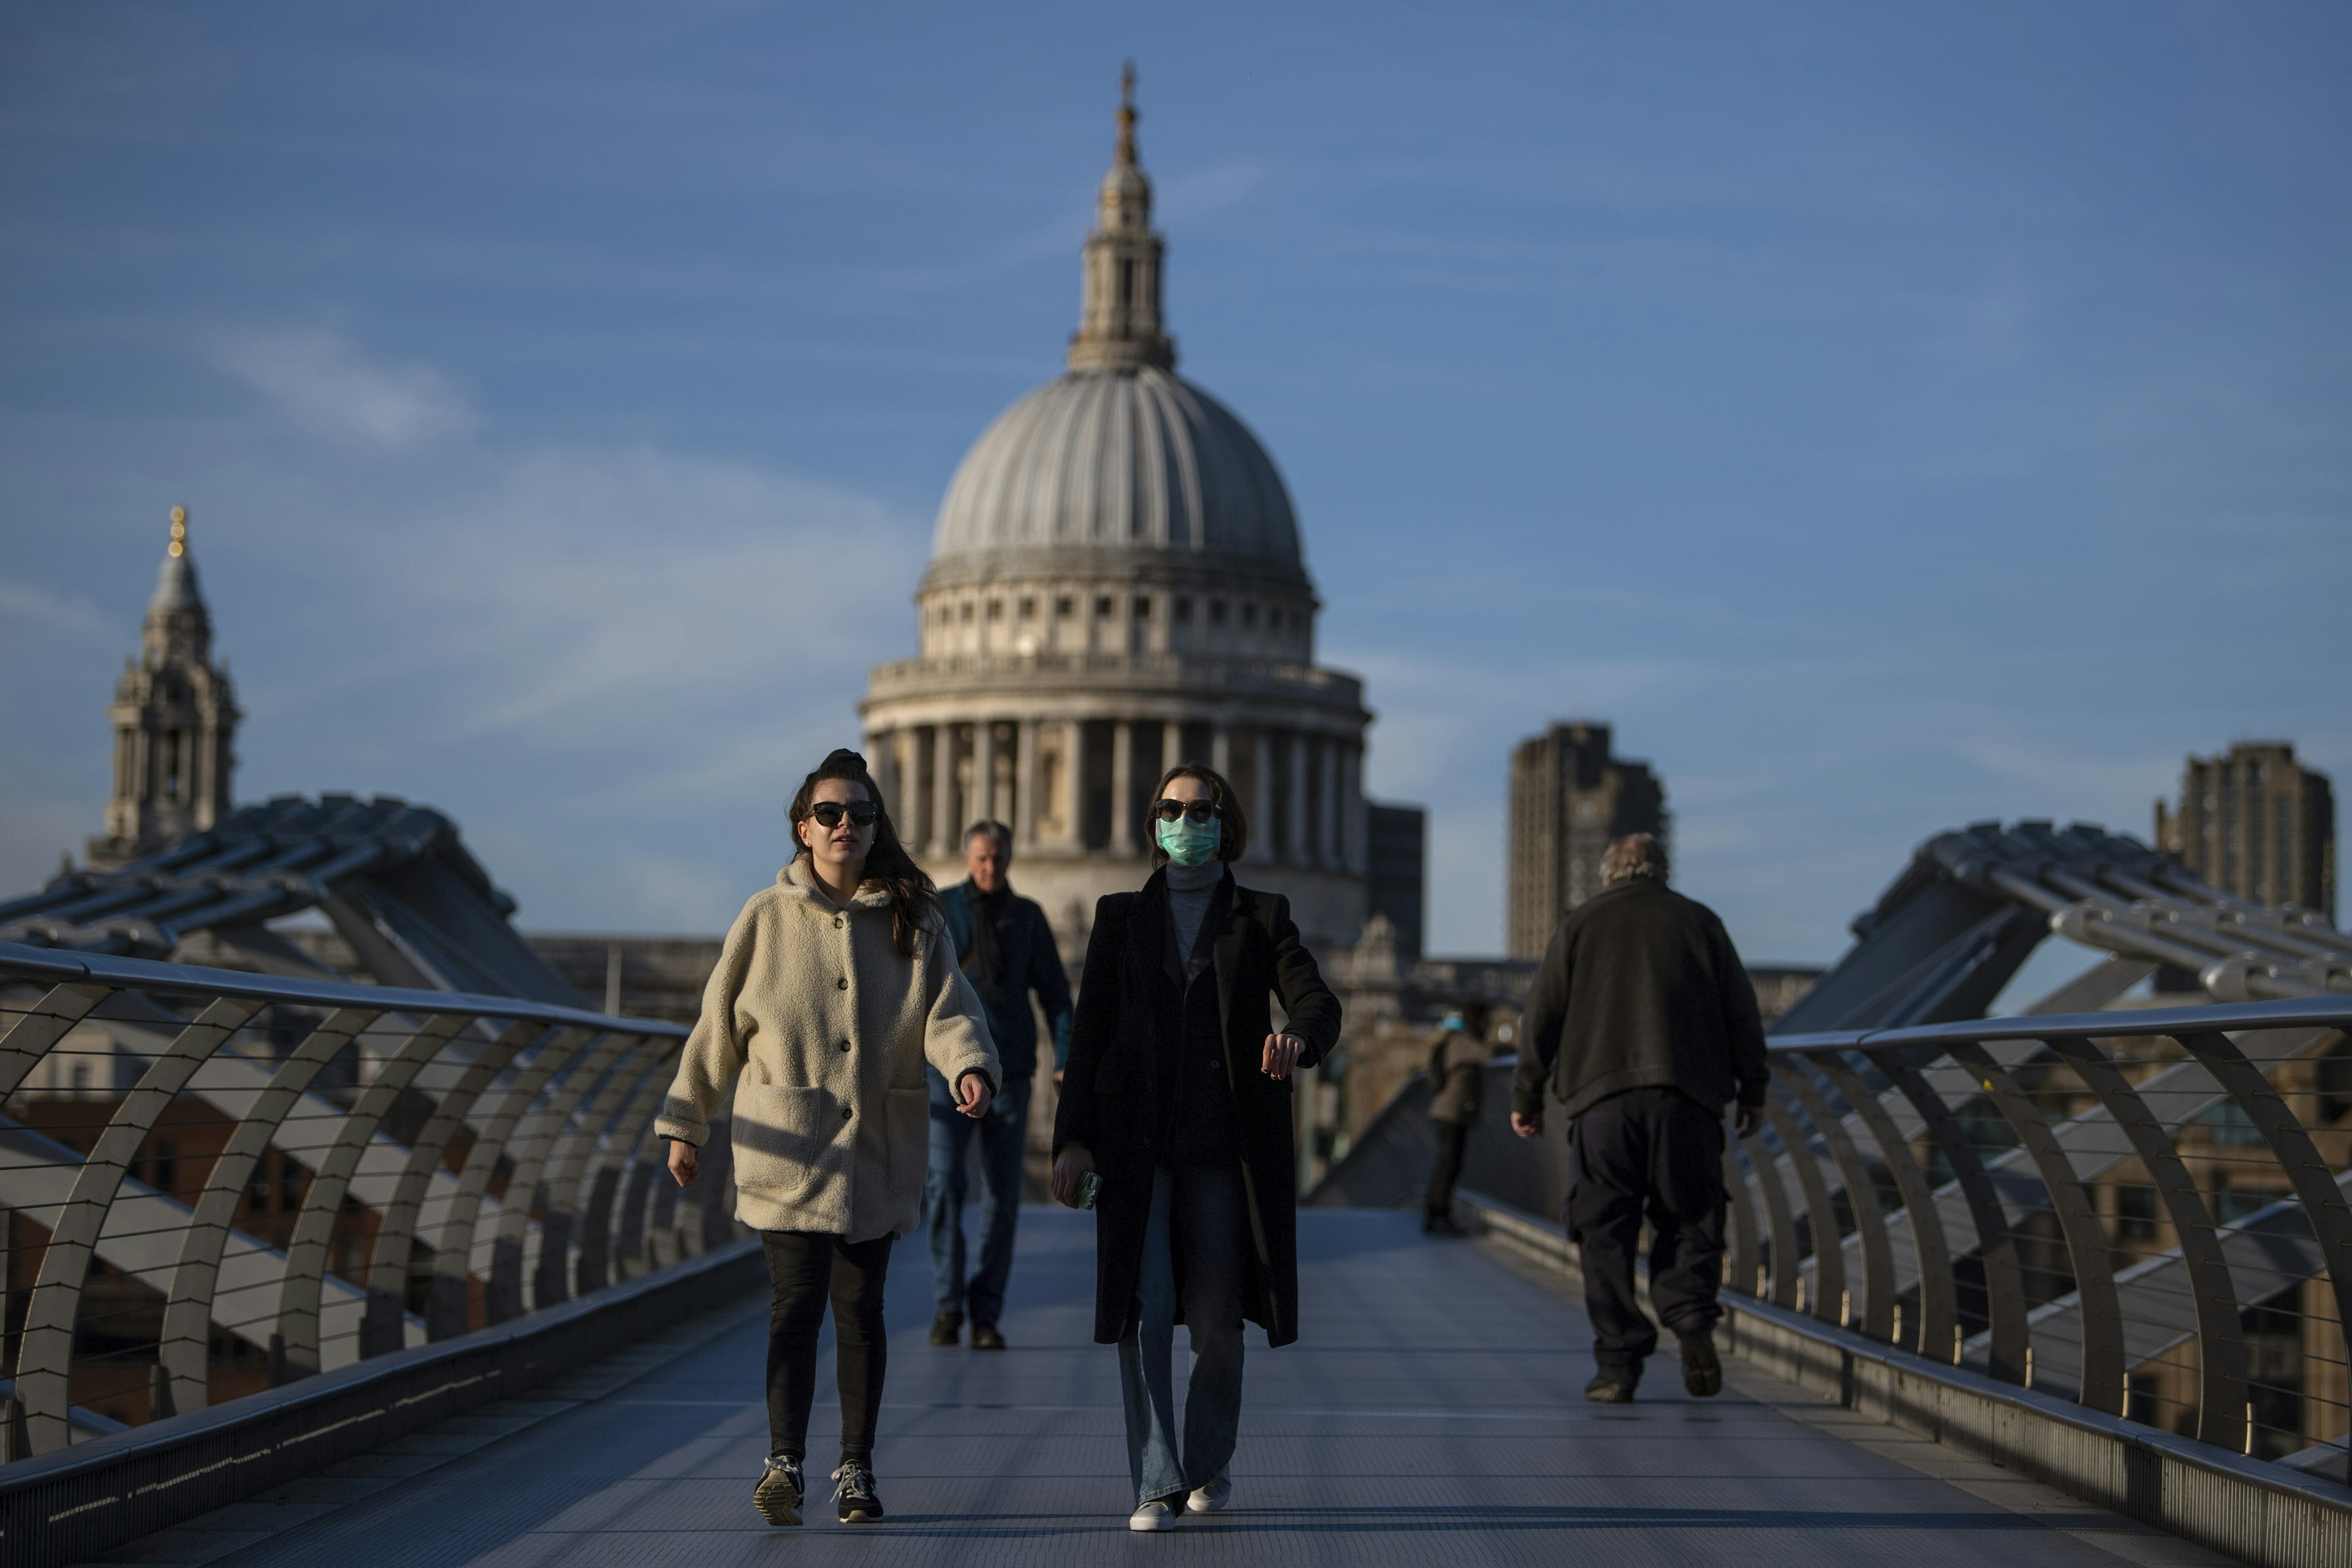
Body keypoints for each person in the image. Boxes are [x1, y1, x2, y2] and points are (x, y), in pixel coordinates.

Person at [657, 748, 1000, 1529]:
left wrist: (968, 1066)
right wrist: (686, 1121)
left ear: (877, 827)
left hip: (875, 1150)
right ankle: (785, 1459)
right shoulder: (764, 917)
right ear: (802, 828)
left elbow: (950, 1009)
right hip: (787, 1148)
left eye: (860, 814)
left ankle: (856, 1467)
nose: (845, 825)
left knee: (861, 1311)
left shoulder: (916, 918)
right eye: (830, 814)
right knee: (793, 1307)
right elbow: (719, 1028)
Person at [1049, 763, 1341, 1532]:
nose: (1186, 819)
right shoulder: (1118, 918)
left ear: (1225, 821)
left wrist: (1300, 1037)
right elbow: (1091, 1037)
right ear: (1154, 825)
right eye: (1172, 809)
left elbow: (1313, 997)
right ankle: (1154, 1478)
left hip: (1222, 1145)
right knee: (1143, 1308)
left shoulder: (1262, 913)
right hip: (1135, 1147)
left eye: (1201, 809)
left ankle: (1206, 1458)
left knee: (1217, 1317)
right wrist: (1072, 1137)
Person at [1509, 831, 1766, 1406]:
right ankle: (1692, 1319)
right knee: (1693, 1218)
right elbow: (1741, 1012)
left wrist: (1526, 1095)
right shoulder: (1701, 922)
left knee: (1604, 1232)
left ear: (1608, 872)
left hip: (1603, 1106)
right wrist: (1754, 1089)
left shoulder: (1578, 925)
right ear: (1661, 871)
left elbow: (1541, 1016)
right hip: (1688, 1100)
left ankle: (1618, 1365)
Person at [925, 818, 1075, 1351]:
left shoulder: (1028, 918)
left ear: (1010, 859)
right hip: (946, 1073)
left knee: (1001, 1199)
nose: (989, 868)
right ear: (969, 858)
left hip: (1010, 1072)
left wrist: (1064, 1055)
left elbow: (1056, 995)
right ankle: (948, 1304)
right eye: (981, 859)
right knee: (944, 1187)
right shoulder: (942, 910)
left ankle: (985, 1312)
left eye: (997, 859)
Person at [1422, 1001, 1492, 1235]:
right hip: (1451, 1112)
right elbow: (1486, 1055)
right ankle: (1438, 1213)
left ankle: (1437, 1213)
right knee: (1449, 1164)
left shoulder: (1455, 1039)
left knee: (1449, 1163)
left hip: (1451, 1112)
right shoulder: (1462, 1041)